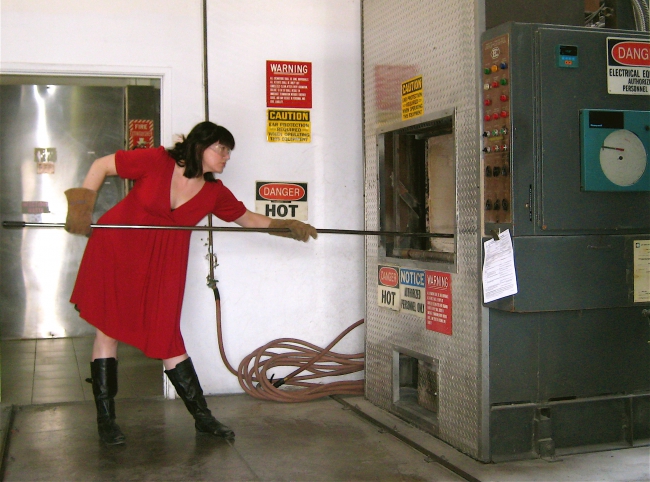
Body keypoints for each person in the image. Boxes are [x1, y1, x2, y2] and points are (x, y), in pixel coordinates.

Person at [64, 121, 317, 446]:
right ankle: (106, 421)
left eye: (229, 151)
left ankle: (203, 418)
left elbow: (247, 218)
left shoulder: (214, 192)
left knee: (167, 335)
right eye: (222, 149)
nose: (227, 157)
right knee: (108, 332)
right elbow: (102, 165)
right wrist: (81, 209)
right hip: (117, 250)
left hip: (162, 265)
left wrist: (287, 225)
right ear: (201, 146)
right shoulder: (157, 161)